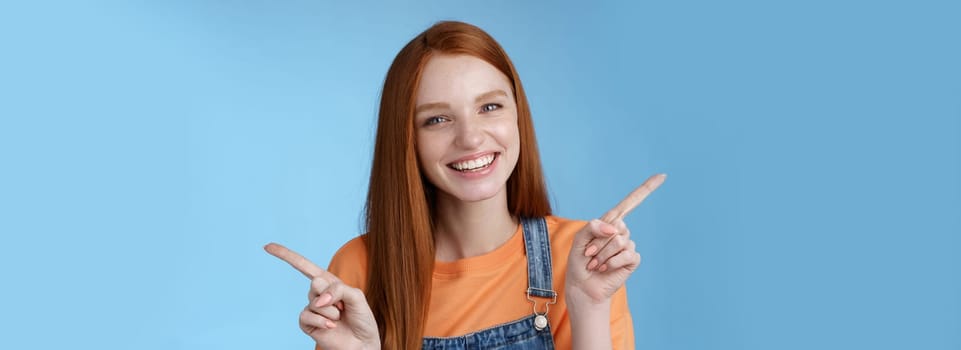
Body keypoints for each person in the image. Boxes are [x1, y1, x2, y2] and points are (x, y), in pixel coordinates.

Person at [265, 20, 665, 349]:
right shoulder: (359, 269)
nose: (471, 138)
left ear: (518, 116)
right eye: (437, 119)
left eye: (490, 107)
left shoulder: (580, 260)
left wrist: (587, 305)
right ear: (407, 140)